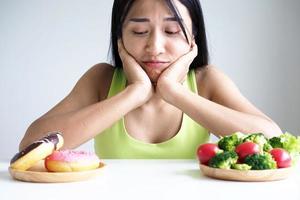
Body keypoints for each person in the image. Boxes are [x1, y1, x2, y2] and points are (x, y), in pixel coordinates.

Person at [19, 0, 282, 158]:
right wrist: (134, 93)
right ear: (119, 37)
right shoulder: (101, 80)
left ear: (193, 38)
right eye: (140, 30)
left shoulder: (206, 81)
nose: (155, 46)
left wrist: (174, 92)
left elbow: (273, 139)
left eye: (171, 30)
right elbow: (30, 144)